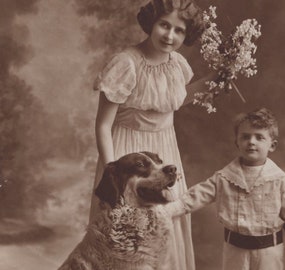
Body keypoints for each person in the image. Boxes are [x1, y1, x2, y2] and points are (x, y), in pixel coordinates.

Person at [89, 1, 213, 269]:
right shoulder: (126, 63)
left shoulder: (177, 64)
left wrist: (218, 78)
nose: (170, 36)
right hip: (127, 151)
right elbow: (102, 125)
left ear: (186, 34)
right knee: (125, 232)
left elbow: (174, 99)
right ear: (151, 23)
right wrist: (114, 173)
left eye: (179, 30)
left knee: (166, 220)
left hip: (164, 149)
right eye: (164, 25)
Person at [167, 108, 285, 270]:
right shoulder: (224, 178)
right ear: (237, 142)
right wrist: (164, 211)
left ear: (272, 145)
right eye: (245, 137)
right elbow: (193, 198)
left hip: (269, 253)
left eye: (259, 137)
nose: (251, 142)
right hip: (235, 252)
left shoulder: (279, 180)